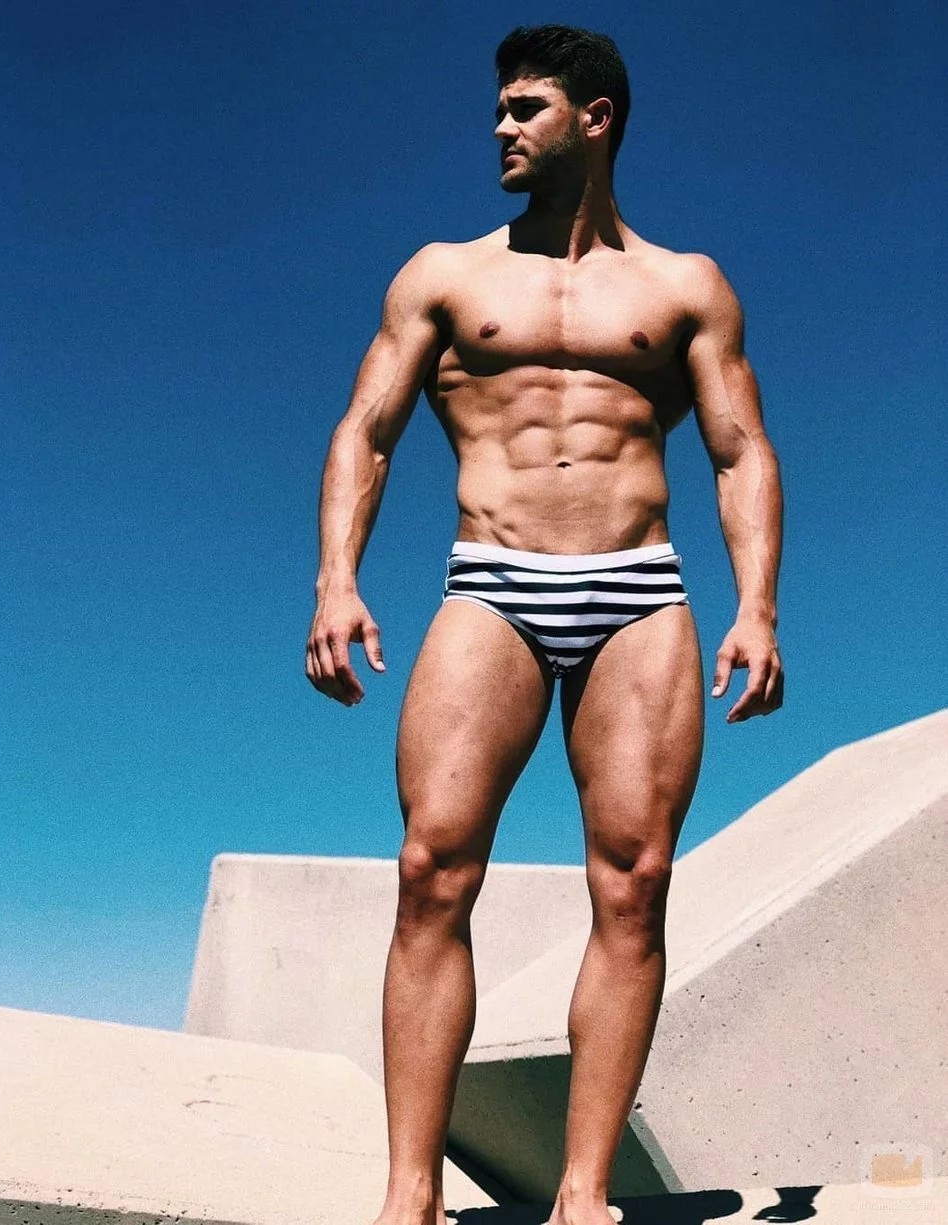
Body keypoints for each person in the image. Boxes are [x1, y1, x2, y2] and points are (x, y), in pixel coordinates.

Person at [306, 23, 784, 1225]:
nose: (500, 127)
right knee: (431, 868)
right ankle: (409, 1193)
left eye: (525, 107)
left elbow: (737, 451)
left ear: (595, 117)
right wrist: (335, 580)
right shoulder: (443, 274)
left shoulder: (685, 285)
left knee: (633, 882)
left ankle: (581, 1196)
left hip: (639, 592)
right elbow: (368, 429)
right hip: (492, 582)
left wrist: (756, 607)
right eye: (499, 108)